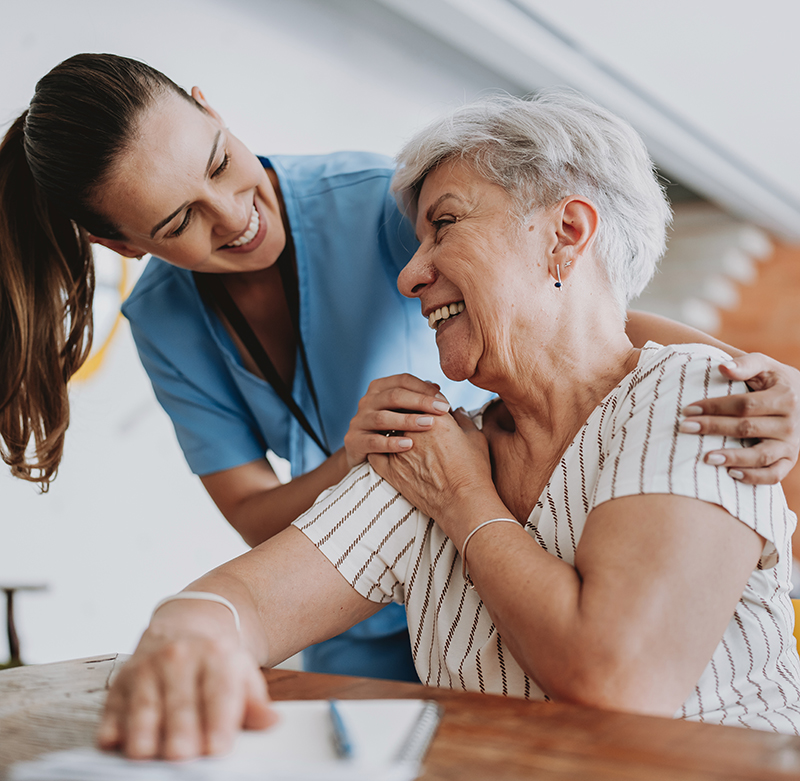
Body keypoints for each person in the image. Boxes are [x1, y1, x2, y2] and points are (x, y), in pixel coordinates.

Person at [1, 54, 798, 681]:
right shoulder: (166, 321)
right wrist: (362, 462)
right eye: (179, 220)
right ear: (125, 247)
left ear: (213, 109)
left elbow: (561, 311)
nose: (234, 216)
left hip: (465, 530)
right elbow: (250, 530)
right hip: (373, 556)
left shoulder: (376, 201)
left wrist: (744, 371)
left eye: (219, 163)